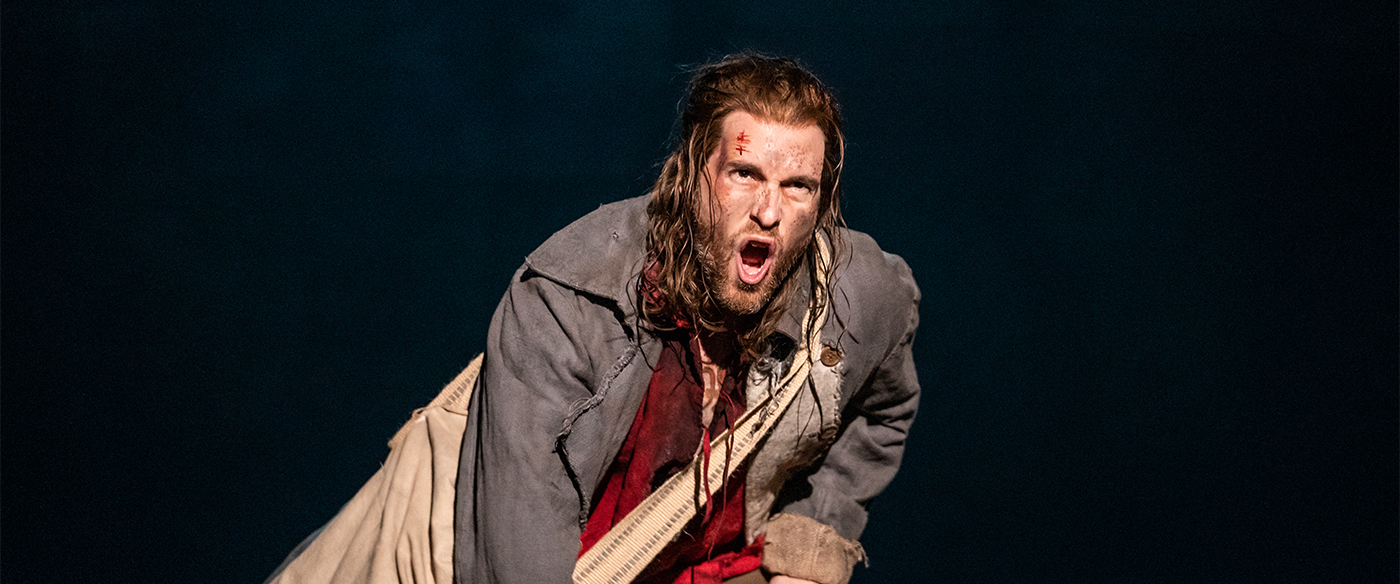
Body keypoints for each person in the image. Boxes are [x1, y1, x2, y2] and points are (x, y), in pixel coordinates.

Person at [454, 53, 920, 584]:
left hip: (722, 569)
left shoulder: (856, 295)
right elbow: (517, 553)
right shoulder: (568, 304)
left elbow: (884, 411)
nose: (769, 212)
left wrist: (809, 543)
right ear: (690, 172)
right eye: (743, 174)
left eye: (797, 186)